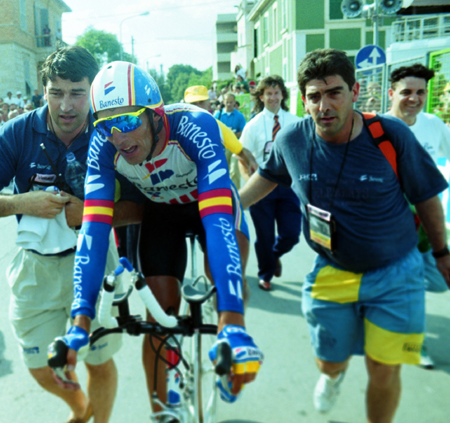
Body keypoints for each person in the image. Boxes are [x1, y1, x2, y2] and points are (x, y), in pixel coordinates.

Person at [239, 48, 450, 421]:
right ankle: (333, 376)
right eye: (314, 96)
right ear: (303, 99)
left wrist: (443, 253)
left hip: (396, 273)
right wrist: (225, 211)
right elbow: (268, 177)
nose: (324, 106)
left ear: (354, 92)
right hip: (332, 271)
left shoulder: (389, 134)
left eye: (334, 92)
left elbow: (427, 197)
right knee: (328, 363)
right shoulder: (292, 139)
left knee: (384, 369)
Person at [53, 61, 263, 415]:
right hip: (161, 213)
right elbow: (93, 230)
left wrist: (233, 321)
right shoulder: (103, 146)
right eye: (107, 125)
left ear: (155, 114)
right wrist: (80, 322)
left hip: (209, 206)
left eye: (128, 121)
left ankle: (231, 341)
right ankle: (160, 409)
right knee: (159, 316)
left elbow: (217, 223)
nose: (118, 137)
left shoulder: (194, 126)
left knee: (231, 289)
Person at [0, 46, 142, 423]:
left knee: (100, 360)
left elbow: (143, 207)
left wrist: (93, 213)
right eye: (56, 92)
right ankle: (80, 408)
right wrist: (20, 202)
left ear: (92, 92)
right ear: (43, 90)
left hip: (96, 263)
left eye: (77, 92)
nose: (66, 106)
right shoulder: (18, 131)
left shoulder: (113, 132)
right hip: (35, 269)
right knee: (40, 364)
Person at [387, 63, 450, 369]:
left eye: (420, 92)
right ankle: (415, 343)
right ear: (392, 93)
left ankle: (396, 296)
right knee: (411, 284)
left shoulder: (434, 124)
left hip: (428, 222)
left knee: (439, 282)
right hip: (392, 223)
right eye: (406, 92)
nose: (414, 98)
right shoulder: (376, 127)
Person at [239, 75, 302, 291]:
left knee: (291, 234)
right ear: (262, 96)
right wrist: (249, 180)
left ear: (282, 95)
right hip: (261, 188)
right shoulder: (253, 125)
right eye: (269, 94)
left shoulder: (295, 122)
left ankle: (274, 255)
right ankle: (265, 274)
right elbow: (242, 155)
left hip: (288, 188)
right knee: (264, 236)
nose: (273, 97)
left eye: (276, 93)